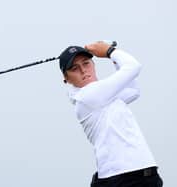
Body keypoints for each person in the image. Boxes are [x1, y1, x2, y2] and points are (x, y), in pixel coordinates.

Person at [59, 41, 163, 187]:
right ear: (66, 79)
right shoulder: (87, 96)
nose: (83, 71)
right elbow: (133, 66)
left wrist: (113, 57)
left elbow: (133, 90)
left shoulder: (102, 96)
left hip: (132, 176)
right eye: (74, 68)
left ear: (93, 65)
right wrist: (109, 51)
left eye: (86, 63)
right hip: (125, 178)